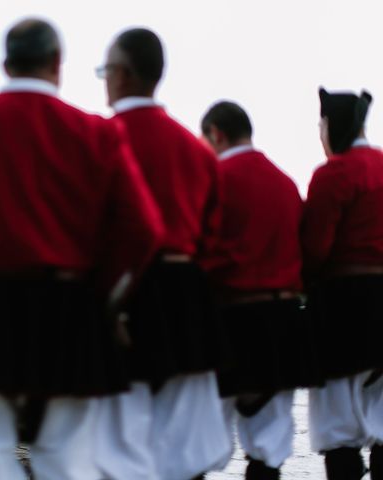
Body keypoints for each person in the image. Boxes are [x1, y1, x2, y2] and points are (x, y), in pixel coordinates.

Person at [0, 18, 163, 480]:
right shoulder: (96, 132)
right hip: (70, 307)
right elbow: (142, 229)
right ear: (56, 65)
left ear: (6, 63)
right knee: (69, 461)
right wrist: (101, 296)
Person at [94, 27, 230, 480]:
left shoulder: (100, 140)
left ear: (125, 73)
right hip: (187, 301)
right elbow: (214, 240)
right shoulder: (198, 151)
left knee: (114, 446)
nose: (104, 79)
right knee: (183, 448)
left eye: (106, 70)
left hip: (119, 292)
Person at [200, 101, 321, 479]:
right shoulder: (285, 183)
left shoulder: (216, 178)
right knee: (270, 442)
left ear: (216, 134)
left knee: (200, 442)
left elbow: (201, 249)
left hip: (228, 318)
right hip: (282, 321)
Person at [302, 87, 383, 480]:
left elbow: (315, 248)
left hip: (344, 310)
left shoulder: (333, 175)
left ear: (331, 126)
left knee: (339, 429)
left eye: (320, 125)